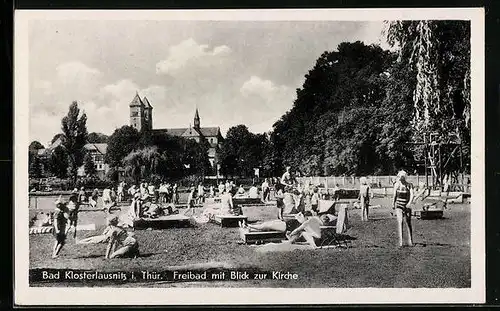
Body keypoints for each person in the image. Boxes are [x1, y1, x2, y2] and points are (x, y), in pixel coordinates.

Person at [393, 170, 415, 247]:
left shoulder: (409, 185)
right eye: (400, 177)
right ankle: (401, 241)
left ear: (404, 178)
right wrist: (393, 204)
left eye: (402, 177)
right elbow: (394, 195)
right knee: (400, 221)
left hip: (407, 205)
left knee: (408, 223)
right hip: (398, 205)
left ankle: (410, 240)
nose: (401, 179)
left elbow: (412, 195)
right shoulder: (396, 185)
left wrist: (409, 203)